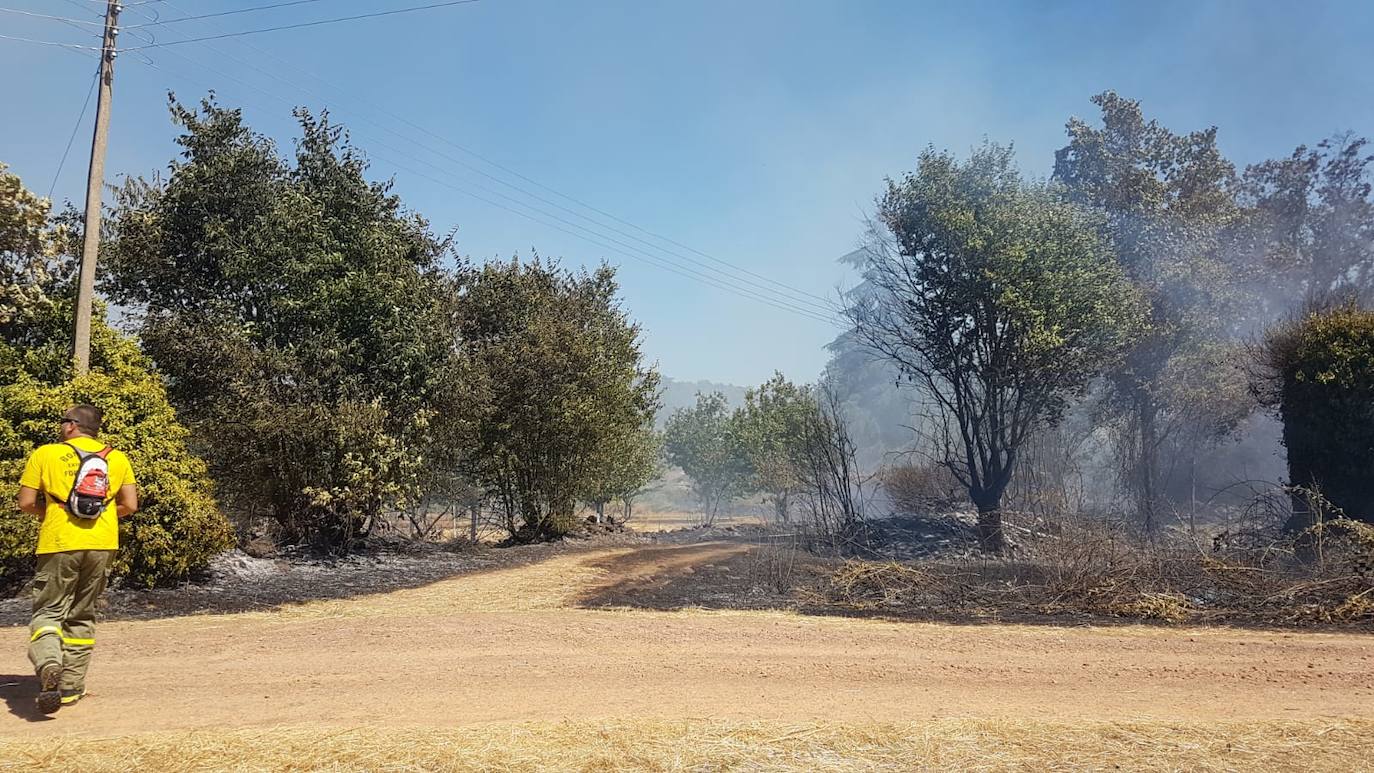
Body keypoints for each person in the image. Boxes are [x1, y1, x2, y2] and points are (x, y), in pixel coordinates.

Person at [16, 404, 138, 714]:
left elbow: (26, 502)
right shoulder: (117, 457)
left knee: (49, 610)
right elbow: (131, 505)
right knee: (82, 614)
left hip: (58, 542)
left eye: (62, 421)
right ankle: (70, 689)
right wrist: (101, 513)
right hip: (102, 542)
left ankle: (48, 663)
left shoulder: (45, 454)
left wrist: (56, 512)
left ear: (72, 426)